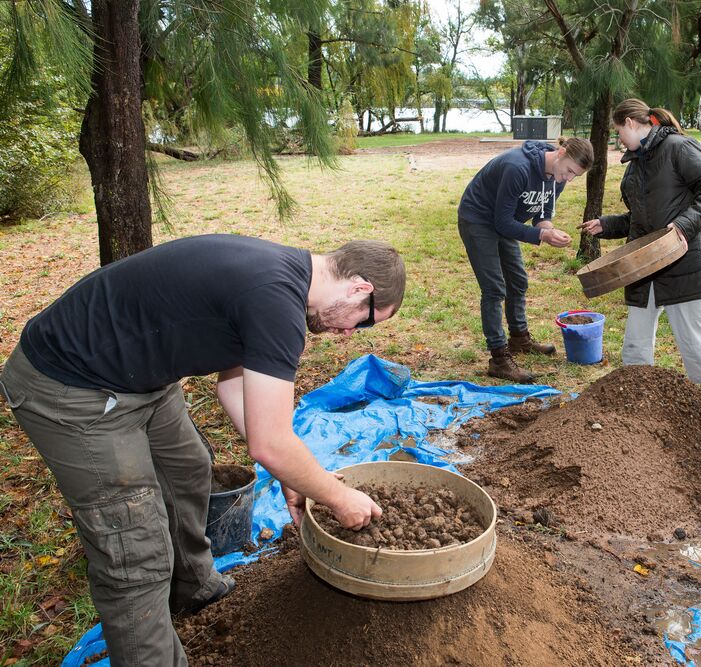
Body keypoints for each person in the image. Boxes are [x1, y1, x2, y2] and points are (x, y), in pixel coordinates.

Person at [0, 235, 406, 665]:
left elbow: (233, 387)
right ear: (360, 288)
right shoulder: (275, 301)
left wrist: (292, 472)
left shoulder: (285, 282)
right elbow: (269, 442)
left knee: (190, 469)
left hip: (142, 376)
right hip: (72, 386)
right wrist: (337, 495)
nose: (349, 333)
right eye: (364, 321)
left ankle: (192, 585)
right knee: (134, 550)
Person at [578, 98, 701, 406]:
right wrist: (605, 226)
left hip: (680, 258)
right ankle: (635, 394)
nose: (619, 139)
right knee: (636, 336)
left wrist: (683, 227)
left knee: (692, 330)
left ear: (632, 124)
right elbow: (639, 218)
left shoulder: (679, 148)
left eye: (619, 131)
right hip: (642, 264)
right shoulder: (635, 163)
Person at [458, 137, 594, 383]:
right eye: (570, 171)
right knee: (494, 289)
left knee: (518, 281)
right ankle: (499, 359)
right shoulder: (517, 168)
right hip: (478, 219)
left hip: (505, 223)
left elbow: (541, 215)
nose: (568, 179)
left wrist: (548, 230)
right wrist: (542, 235)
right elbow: (502, 221)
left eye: (576, 176)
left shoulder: (557, 178)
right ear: (561, 152)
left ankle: (519, 339)